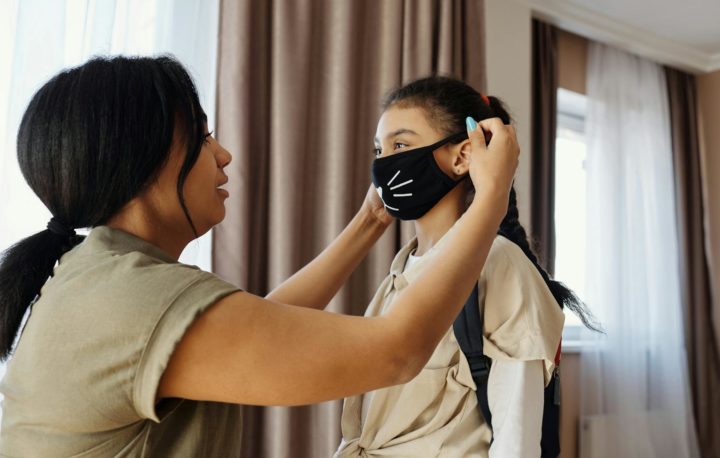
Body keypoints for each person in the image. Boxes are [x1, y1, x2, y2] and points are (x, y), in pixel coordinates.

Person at [0, 56, 519, 456]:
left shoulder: (100, 278)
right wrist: (491, 198)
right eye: (202, 137)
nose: (223, 154)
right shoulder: (130, 299)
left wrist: (369, 222)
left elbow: (267, 321)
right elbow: (398, 351)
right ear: (143, 159)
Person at [335, 76, 600, 457]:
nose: (385, 164)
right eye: (379, 149)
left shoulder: (500, 264)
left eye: (401, 144)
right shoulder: (399, 272)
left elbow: (516, 440)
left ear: (461, 157)